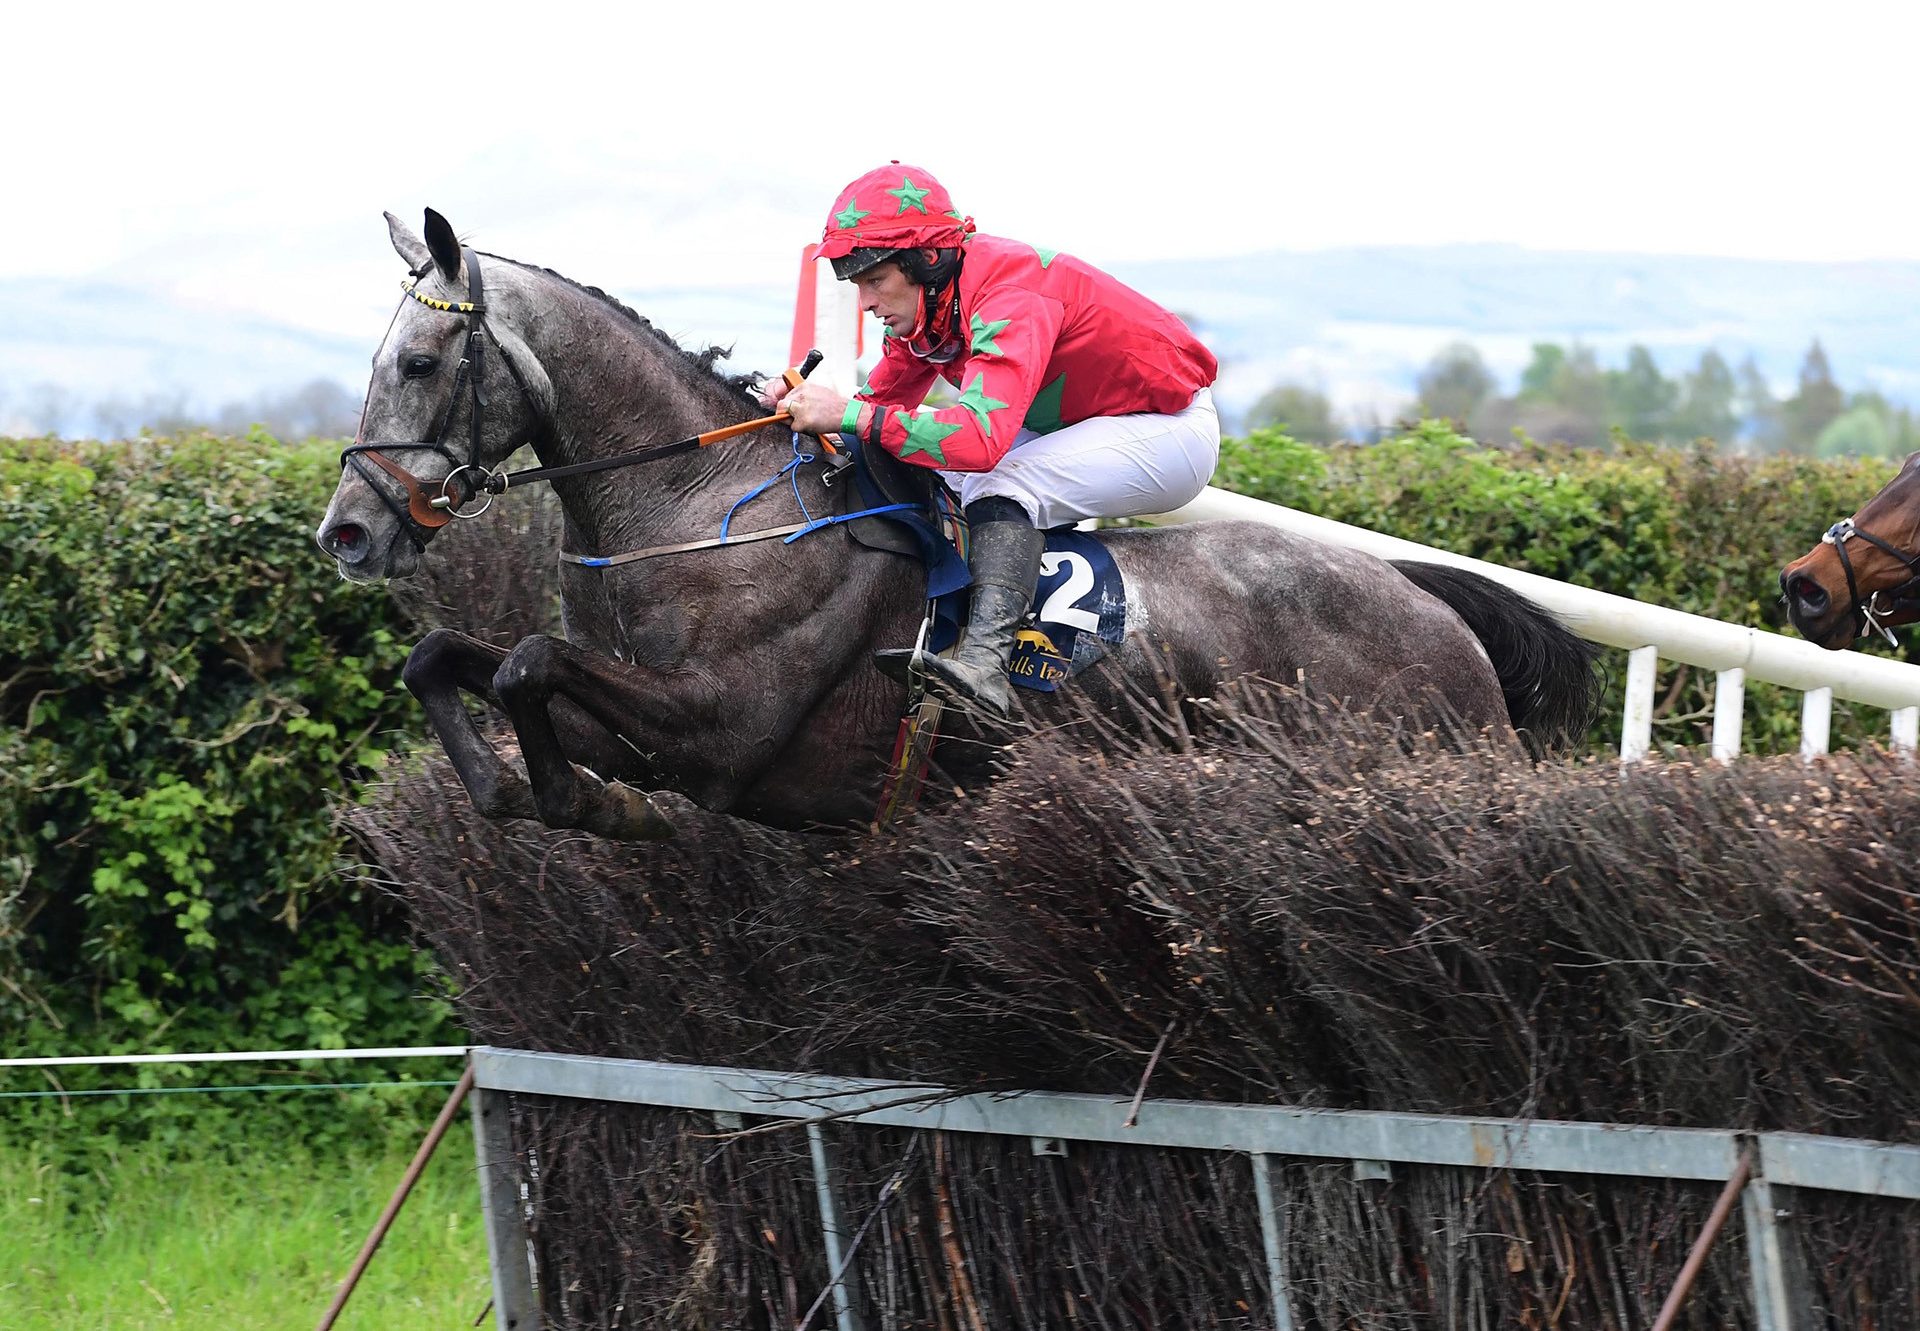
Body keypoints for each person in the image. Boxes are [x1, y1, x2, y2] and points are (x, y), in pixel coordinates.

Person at [773, 163, 1220, 719]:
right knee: (936, 471)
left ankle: (985, 661)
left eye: (874, 281)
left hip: (1167, 429)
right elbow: (877, 415)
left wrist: (848, 413)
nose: (865, 302)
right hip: (1079, 425)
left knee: (998, 478)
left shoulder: (1009, 294)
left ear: (925, 259)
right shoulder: (930, 307)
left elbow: (978, 440)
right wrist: (795, 406)